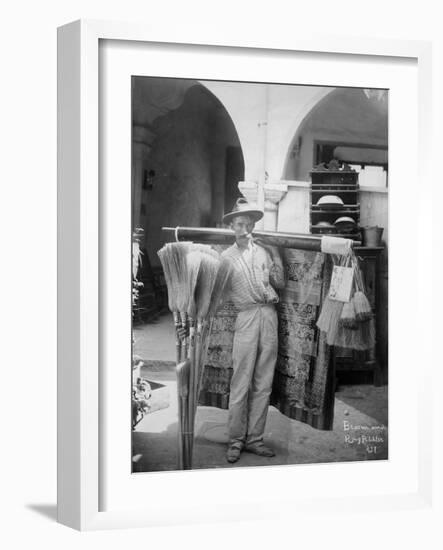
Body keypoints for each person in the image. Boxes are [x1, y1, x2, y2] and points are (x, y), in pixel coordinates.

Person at [221, 198, 285, 463]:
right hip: (246, 317)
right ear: (232, 226)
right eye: (239, 223)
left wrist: (276, 253)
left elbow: (279, 283)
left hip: (268, 316)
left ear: (254, 225)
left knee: (263, 382)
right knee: (241, 382)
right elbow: (220, 295)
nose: (244, 228)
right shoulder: (225, 258)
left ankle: (255, 439)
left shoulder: (263, 252)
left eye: (248, 223)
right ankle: (236, 441)